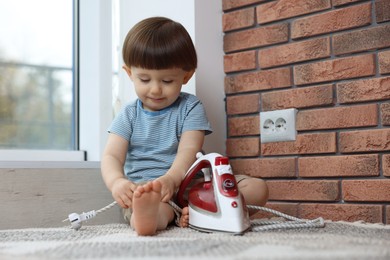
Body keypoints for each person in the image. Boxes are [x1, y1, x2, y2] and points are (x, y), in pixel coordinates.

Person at [101, 16, 268, 236]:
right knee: (156, 209)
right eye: (144, 79)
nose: (155, 90)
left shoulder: (191, 107)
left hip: (193, 186)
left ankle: (196, 212)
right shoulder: (128, 114)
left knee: (257, 188)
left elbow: (189, 150)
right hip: (148, 192)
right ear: (130, 74)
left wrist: (172, 179)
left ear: (186, 75)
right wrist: (117, 183)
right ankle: (155, 217)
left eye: (167, 81)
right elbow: (111, 156)